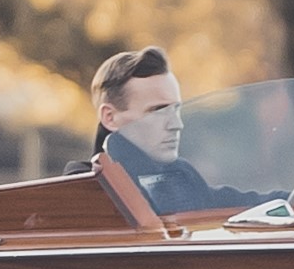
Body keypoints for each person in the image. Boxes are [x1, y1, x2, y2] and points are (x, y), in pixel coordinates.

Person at [89, 45, 262, 214]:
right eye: (158, 111)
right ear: (109, 117)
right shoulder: (84, 192)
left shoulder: (180, 176)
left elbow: (235, 202)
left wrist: (288, 200)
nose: (176, 124)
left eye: (176, 109)